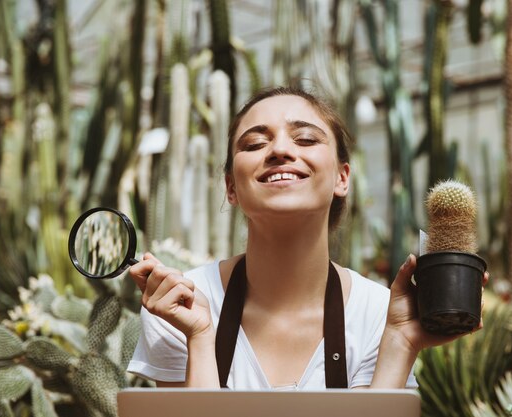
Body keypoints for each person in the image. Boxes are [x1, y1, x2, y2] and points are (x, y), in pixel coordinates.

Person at [127, 86, 488, 390]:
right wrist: (201, 337)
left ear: (341, 178)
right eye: (254, 144)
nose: (280, 151)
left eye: (305, 138)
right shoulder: (183, 306)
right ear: (231, 188)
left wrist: (399, 341)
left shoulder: (377, 312)